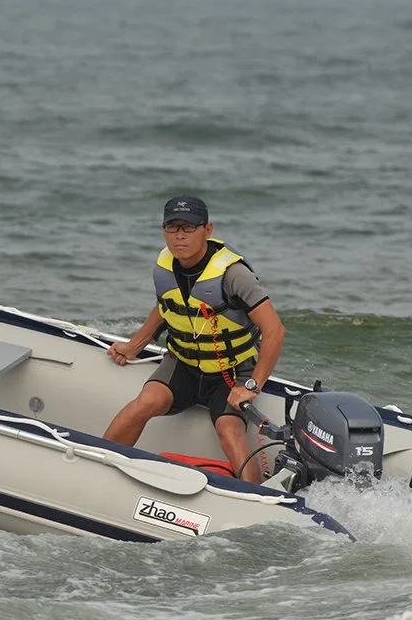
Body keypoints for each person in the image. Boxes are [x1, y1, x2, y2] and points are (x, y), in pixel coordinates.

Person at [102, 194, 285, 484]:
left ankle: (255, 498)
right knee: (144, 403)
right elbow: (167, 307)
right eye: (172, 228)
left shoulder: (234, 274)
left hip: (232, 372)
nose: (179, 237)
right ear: (164, 231)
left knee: (229, 430)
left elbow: (275, 330)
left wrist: (251, 385)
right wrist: (134, 345)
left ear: (207, 230)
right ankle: (99, 467)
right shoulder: (164, 267)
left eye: (188, 228)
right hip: (184, 364)